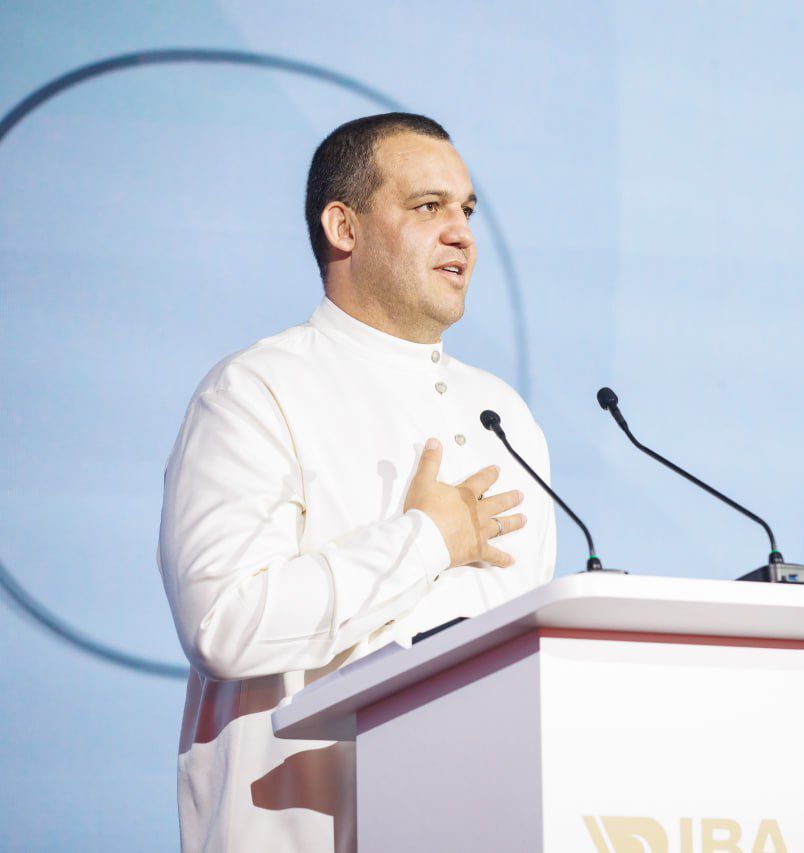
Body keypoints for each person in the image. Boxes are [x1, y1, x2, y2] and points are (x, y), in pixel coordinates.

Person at [157, 112, 556, 852]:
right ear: (344, 228)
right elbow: (225, 624)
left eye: (467, 211)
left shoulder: (504, 415)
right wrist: (427, 540)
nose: (462, 234)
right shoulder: (257, 391)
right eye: (428, 206)